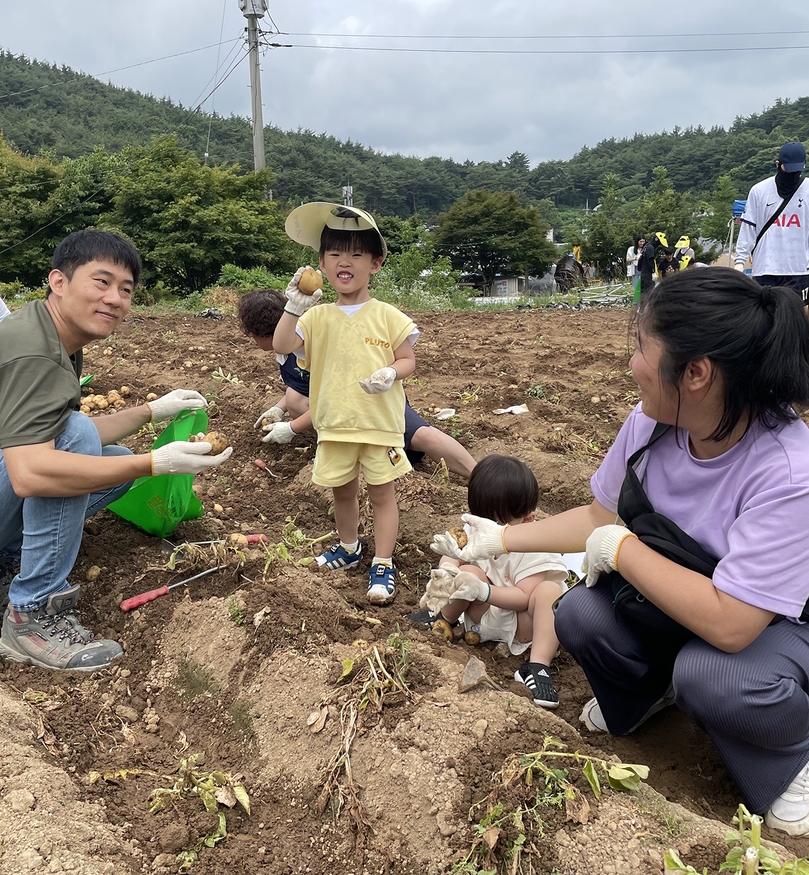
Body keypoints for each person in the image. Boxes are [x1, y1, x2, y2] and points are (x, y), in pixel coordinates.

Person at [447, 268, 809, 837]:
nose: (633, 363)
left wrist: (623, 549)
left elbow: (732, 624)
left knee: (711, 675)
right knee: (577, 612)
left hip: (782, 623)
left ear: (695, 372)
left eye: (642, 347)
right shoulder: (652, 424)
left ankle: (800, 745)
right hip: (686, 596)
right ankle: (647, 693)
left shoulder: (793, 472)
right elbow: (600, 516)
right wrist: (501, 539)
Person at [0, 230, 232, 672]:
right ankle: (32, 615)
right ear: (58, 282)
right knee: (85, 446)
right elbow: (32, 472)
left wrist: (152, 411)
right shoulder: (33, 352)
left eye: (126, 289)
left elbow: (58, 436)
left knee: (117, 464)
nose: (115, 298)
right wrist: (158, 461)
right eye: (101, 282)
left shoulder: (50, 336)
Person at [272, 203, 415, 605]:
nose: (344, 261)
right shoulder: (317, 318)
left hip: (378, 424)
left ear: (376, 263)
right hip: (334, 425)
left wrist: (392, 372)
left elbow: (408, 359)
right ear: (321, 262)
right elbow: (282, 345)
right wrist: (294, 306)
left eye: (356, 253)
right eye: (335, 253)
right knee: (342, 493)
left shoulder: (387, 315)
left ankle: (383, 562)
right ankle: (350, 548)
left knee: (382, 494)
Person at [237, 288, 475, 478]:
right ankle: (346, 451)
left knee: (424, 438)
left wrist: (291, 428)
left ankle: (479, 476)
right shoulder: (286, 352)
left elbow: (336, 399)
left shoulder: (313, 340)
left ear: (263, 333)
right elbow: (304, 388)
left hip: (371, 402)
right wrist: (280, 407)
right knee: (293, 397)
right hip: (344, 419)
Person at [421, 455, 570, 709]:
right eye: (482, 521)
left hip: (522, 627)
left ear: (528, 520)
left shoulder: (537, 546)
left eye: (499, 524)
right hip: (484, 616)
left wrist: (482, 589)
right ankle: (442, 617)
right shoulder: (477, 529)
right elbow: (453, 553)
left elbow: (524, 597)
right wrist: (447, 571)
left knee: (549, 592)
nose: (487, 531)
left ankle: (537, 666)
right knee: (468, 571)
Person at [734, 142, 809, 307]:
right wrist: (740, 261)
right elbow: (748, 227)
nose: (793, 173)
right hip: (766, 267)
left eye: (797, 169)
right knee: (765, 315)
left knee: (796, 314)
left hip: (799, 267)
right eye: (789, 169)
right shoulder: (759, 190)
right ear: (778, 165)